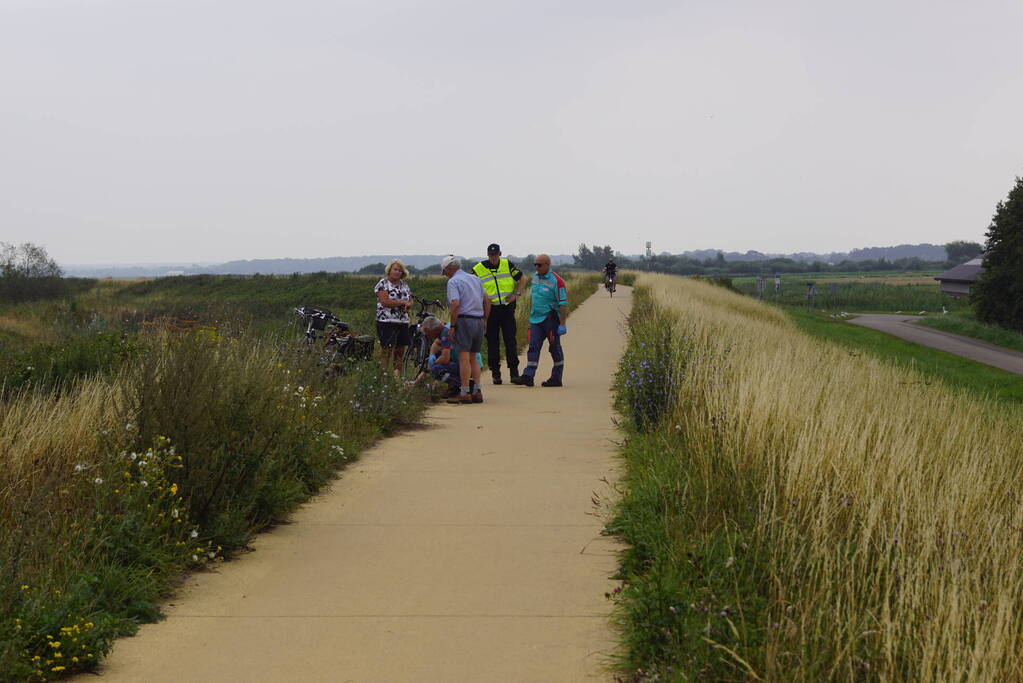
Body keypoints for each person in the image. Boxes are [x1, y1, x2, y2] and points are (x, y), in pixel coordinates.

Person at [472, 243, 525, 385]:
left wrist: (517, 294)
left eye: (495, 255)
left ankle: (514, 373)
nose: (493, 258)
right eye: (491, 255)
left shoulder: (507, 264)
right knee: (492, 343)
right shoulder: (478, 269)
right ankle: (496, 374)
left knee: (510, 341)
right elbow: (471, 287)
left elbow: (522, 278)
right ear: (487, 255)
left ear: (500, 254)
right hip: (490, 310)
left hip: (507, 308)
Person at [441, 255, 491, 404]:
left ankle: (464, 392)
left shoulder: (453, 281)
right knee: (474, 358)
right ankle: (477, 391)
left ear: (449, 268)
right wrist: (485, 319)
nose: (446, 275)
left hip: (464, 320)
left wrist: (453, 326)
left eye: (445, 272)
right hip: (478, 320)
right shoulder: (475, 279)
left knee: (464, 358)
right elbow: (487, 300)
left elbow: (455, 304)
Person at [511, 253, 567, 388]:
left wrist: (562, 324)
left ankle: (556, 378)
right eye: (535, 264)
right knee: (533, 347)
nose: (537, 267)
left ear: (548, 265)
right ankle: (528, 376)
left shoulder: (557, 281)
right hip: (536, 320)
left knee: (554, 348)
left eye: (539, 265)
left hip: (550, 319)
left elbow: (563, 304)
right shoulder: (535, 277)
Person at [421, 315, 483, 397]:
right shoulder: (447, 327)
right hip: (475, 364)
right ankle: (456, 388)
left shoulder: (445, 333)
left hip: (466, 365)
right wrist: (432, 355)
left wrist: (433, 364)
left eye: (428, 332)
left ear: (434, 329)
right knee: (440, 358)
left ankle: (466, 386)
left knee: (436, 370)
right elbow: (436, 344)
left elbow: (445, 359)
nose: (427, 335)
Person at [373, 259, 413, 372]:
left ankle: (397, 379)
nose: (397, 272)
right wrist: (402, 302)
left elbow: (410, 300)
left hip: (402, 322)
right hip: (386, 321)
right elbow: (385, 302)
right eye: (395, 269)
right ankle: (382, 377)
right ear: (390, 270)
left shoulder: (404, 285)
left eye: (400, 270)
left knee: (400, 351)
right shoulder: (383, 283)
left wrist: (408, 305)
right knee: (387, 350)